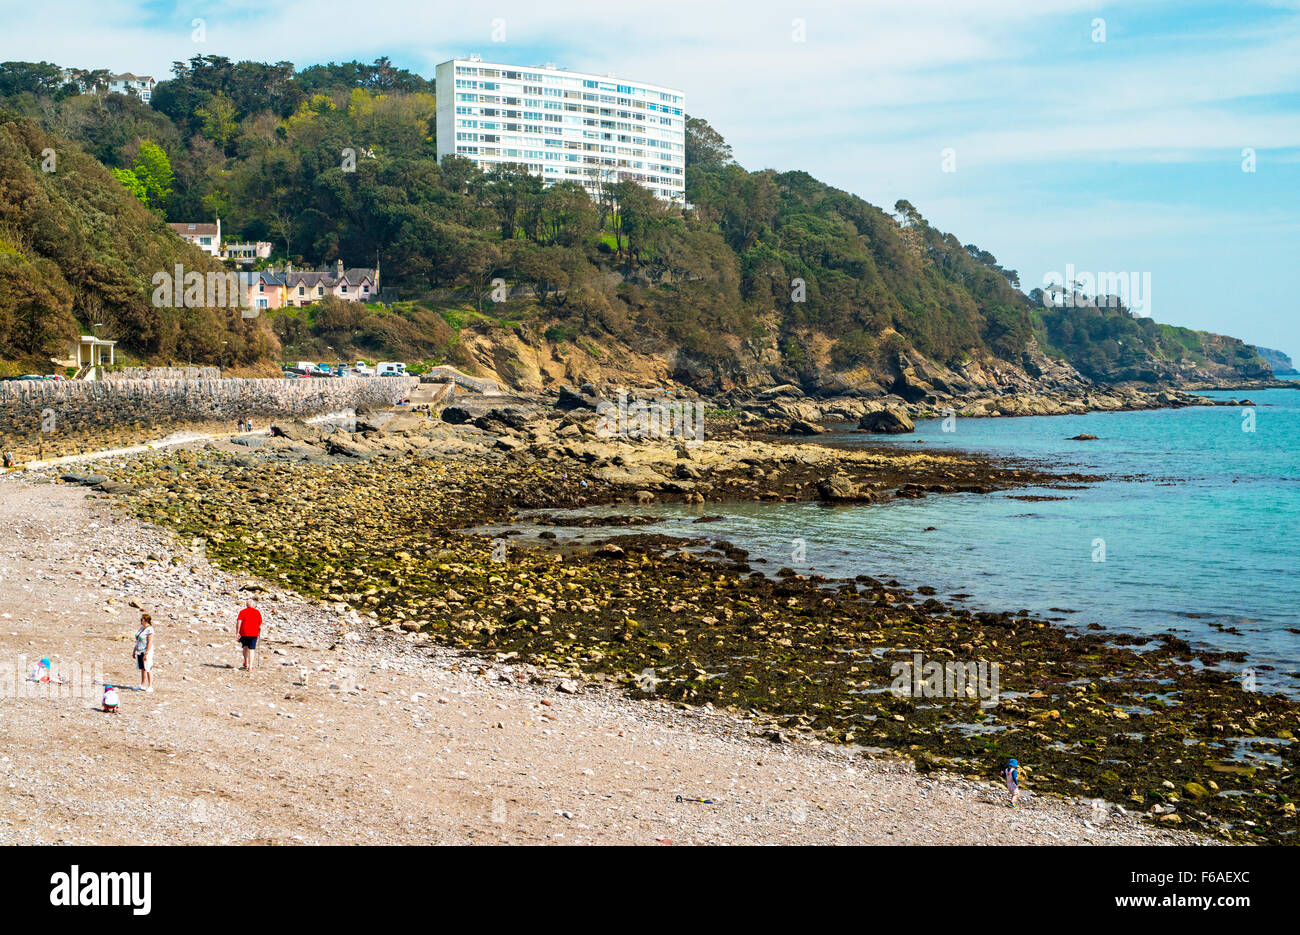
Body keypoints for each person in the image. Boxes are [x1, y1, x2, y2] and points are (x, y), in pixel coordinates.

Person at [235, 599, 263, 672]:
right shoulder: (257, 612)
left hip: (244, 632)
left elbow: (239, 622)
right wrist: (258, 631)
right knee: (252, 649)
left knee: (245, 647)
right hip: (254, 633)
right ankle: (250, 667)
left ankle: (246, 663)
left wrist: (237, 632)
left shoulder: (242, 612)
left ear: (246, 605)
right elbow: (260, 623)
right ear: (253, 605)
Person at [133, 613, 154, 693]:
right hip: (139, 649)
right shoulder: (142, 628)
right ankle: (142, 684)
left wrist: (147, 653)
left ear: (146, 620)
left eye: (142, 620)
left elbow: (150, 642)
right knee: (142, 668)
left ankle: (150, 685)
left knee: (148, 667)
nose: (140, 621)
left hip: (146, 650)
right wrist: (134, 650)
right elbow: (138, 640)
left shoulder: (150, 629)